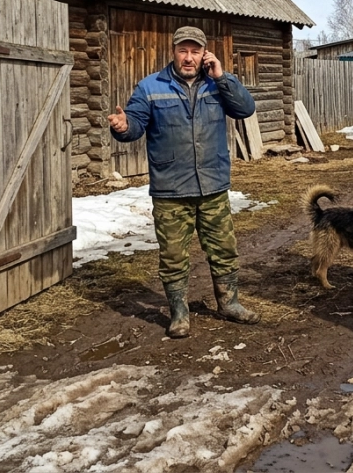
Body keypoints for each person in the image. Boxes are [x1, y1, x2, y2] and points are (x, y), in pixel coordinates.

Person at [108, 26, 260, 337]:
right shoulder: (151, 87)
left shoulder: (217, 85)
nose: (188, 57)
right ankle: (179, 313)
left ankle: (229, 304)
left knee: (224, 249)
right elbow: (135, 124)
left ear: (205, 54)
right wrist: (123, 127)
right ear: (173, 51)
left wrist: (222, 77)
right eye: (183, 50)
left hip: (212, 185)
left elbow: (245, 109)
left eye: (195, 51)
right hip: (171, 189)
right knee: (173, 255)